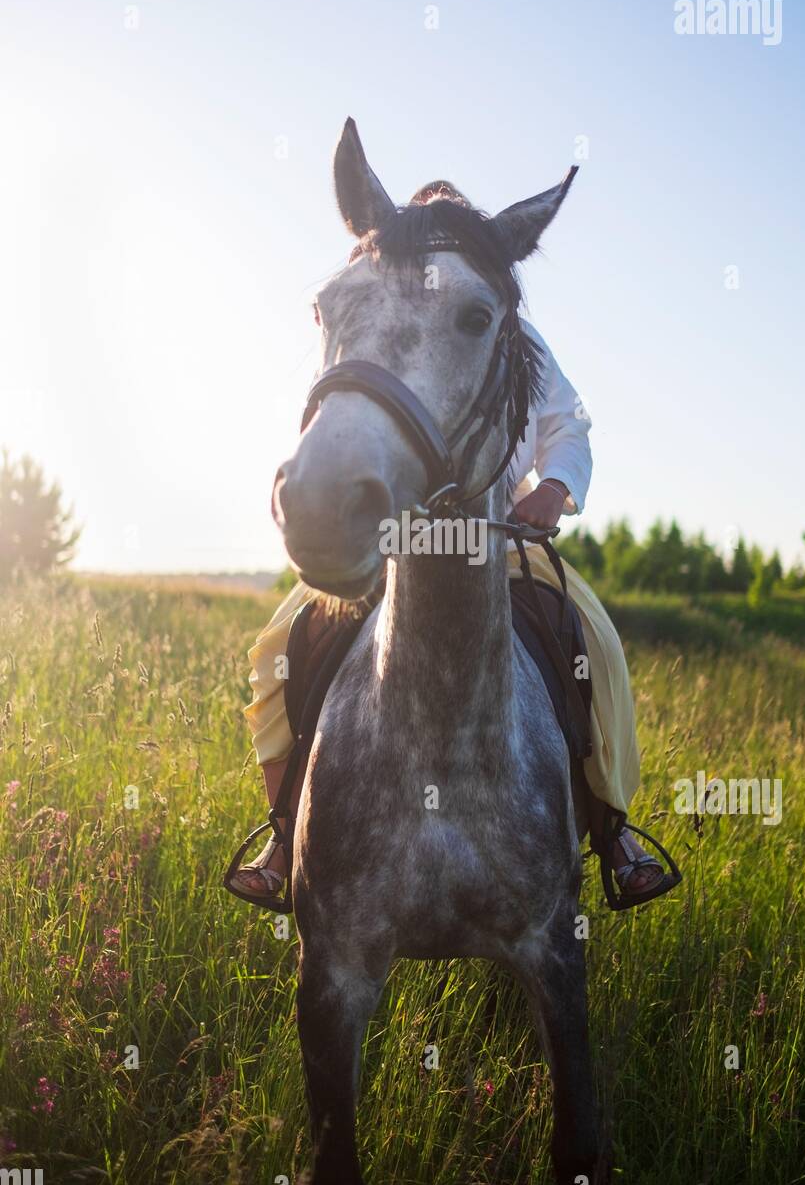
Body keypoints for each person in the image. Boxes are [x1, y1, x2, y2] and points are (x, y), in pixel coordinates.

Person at [229, 182, 676, 911]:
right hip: (394, 535)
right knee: (283, 640)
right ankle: (284, 836)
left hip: (502, 541)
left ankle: (611, 829)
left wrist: (553, 490)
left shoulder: (512, 337)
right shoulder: (393, 319)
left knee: (594, 642)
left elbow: (569, 425)